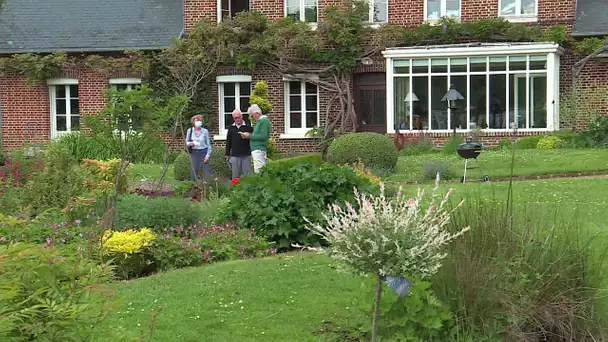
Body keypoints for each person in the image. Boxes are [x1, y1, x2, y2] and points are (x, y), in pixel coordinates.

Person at [241, 104, 270, 173]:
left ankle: (260, 183)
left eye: (252, 115)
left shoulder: (264, 121)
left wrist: (249, 136)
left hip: (259, 149)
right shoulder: (261, 122)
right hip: (257, 149)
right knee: (259, 170)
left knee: (259, 171)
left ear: (256, 113)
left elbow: (263, 136)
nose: (252, 118)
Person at [225, 109, 254, 179]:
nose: (237, 119)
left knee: (247, 176)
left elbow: (253, 139)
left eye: (238, 117)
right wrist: (227, 153)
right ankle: (236, 189)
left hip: (246, 154)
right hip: (235, 155)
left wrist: (248, 136)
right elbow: (228, 141)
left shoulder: (248, 127)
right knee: (235, 176)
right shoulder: (231, 128)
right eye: (235, 118)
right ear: (233, 118)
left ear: (242, 116)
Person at [185, 114, 212, 182]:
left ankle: (209, 187)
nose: (198, 122)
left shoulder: (205, 131)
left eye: (199, 120)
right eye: (196, 120)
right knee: (194, 171)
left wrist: (207, 156)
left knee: (207, 173)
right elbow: (186, 142)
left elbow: (209, 145)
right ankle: (194, 187)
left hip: (204, 152)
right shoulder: (190, 130)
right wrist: (191, 143)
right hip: (194, 152)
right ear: (193, 122)